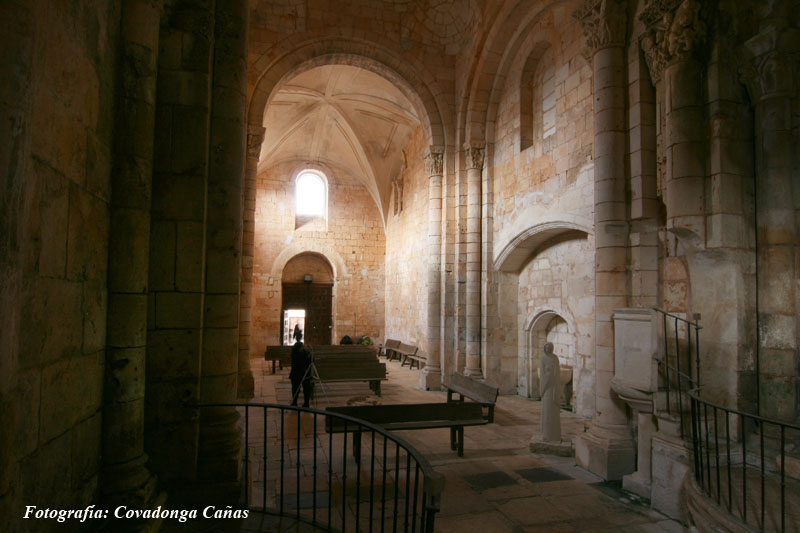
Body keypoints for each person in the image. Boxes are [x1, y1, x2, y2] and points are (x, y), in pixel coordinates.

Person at [539, 342, 561, 443]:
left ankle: (554, 435)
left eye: (550, 347)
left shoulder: (555, 358)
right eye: (546, 347)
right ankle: (546, 435)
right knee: (547, 409)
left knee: (553, 410)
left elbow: (558, 371)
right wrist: (548, 374)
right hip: (547, 387)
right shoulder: (543, 358)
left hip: (553, 386)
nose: (548, 349)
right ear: (545, 348)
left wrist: (554, 371)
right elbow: (543, 374)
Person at [289, 332, 314, 407]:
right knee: (298, 388)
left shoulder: (299, 353)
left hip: (302, 374)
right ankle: (297, 402)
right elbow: (302, 362)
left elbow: (311, 362)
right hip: (299, 374)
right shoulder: (297, 355)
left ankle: (304, 403)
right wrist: (307, 355)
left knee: (303, 388)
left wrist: (309, 355)